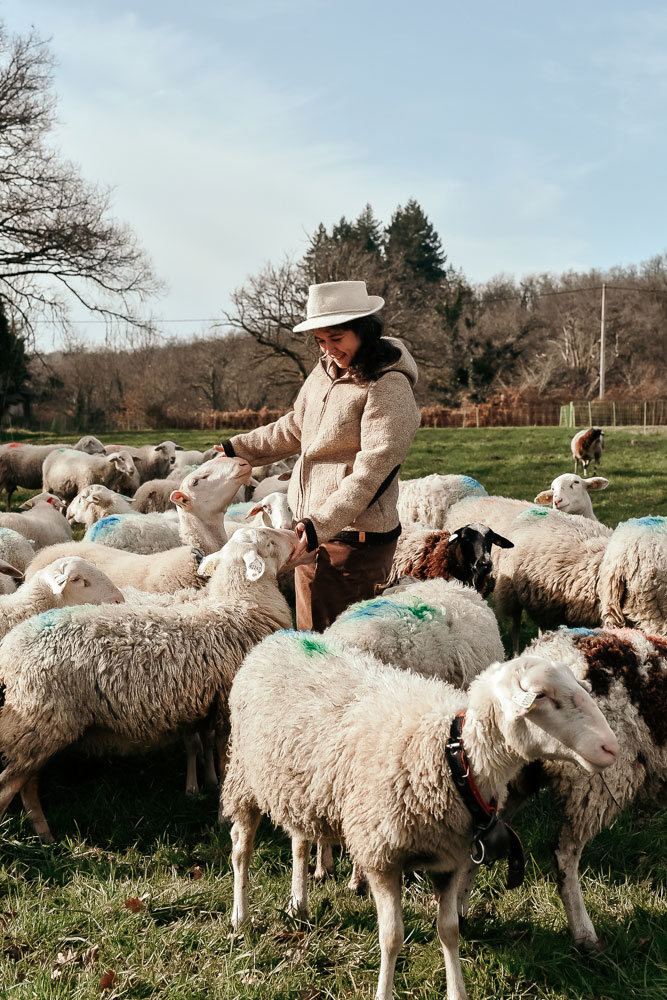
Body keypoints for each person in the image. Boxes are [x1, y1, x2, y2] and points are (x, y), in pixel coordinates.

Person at [219, 280, 421, 630]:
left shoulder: (388, 386)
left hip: (354, 541)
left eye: (336, 339)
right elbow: (297, 426)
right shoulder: (325, 371)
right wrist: (237, 449)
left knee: (339, 650)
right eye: (321, 341)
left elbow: (373, 471)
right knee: (311, 638)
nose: (328, 350)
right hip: (312, 532)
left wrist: (318, 526)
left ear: (363, 331)